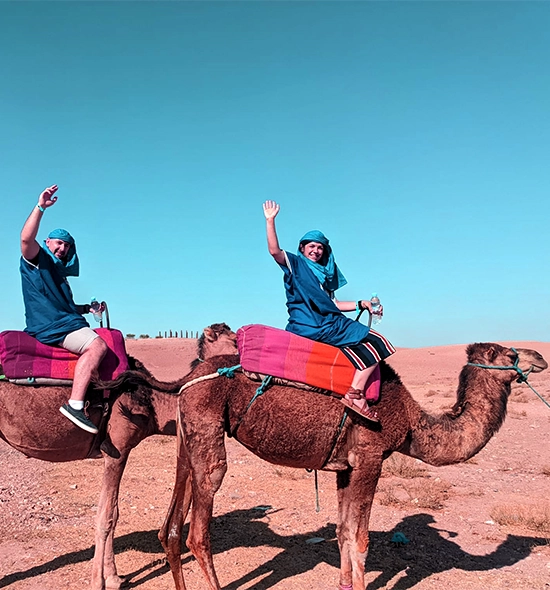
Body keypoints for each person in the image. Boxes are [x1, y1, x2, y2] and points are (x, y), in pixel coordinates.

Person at [263, 200, 395, 422]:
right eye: (311, 246)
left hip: (326, 322)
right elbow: (274, 251)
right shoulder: (296, 265)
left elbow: (332, 304)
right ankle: (356, 394)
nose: (315, 250)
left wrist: (359, 304)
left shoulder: (323, 276)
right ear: (302, 249)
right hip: (316, 325)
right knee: (380, 343)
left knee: (364, 344)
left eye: (320, 247)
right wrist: (270, 221)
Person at [20, 184, 108, 434]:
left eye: (66, 246)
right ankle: (75, 405)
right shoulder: (37, 260)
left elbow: (63, 306)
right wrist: (40, 207)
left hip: (63, 321)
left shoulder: (58, 273)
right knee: (97, 346)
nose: (62, 248)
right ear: (47, 242)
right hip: (52, 326)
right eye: (58, 243)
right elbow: (26, 239)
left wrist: (87, 309)